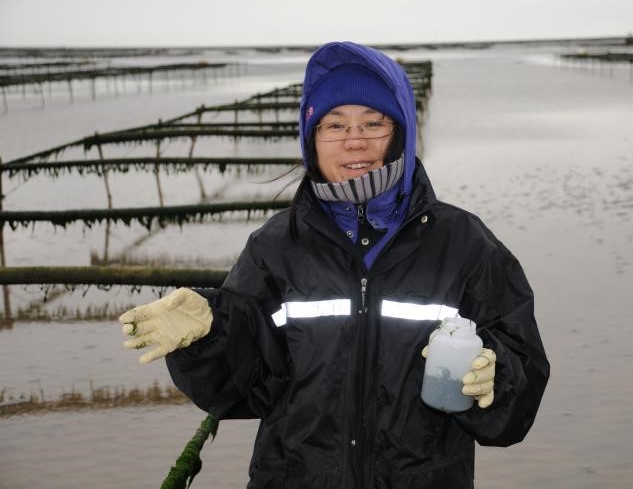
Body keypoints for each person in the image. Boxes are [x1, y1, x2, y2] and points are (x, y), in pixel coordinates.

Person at [119, 41, 549, 488]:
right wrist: (207, 338)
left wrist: (497, 379)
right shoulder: (275, 247)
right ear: (312, 138)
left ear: (402, 132)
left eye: (373, 123)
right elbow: (239, 391)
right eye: (335, 124)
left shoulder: (463, 243)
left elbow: (519, 393)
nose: (354, 140)